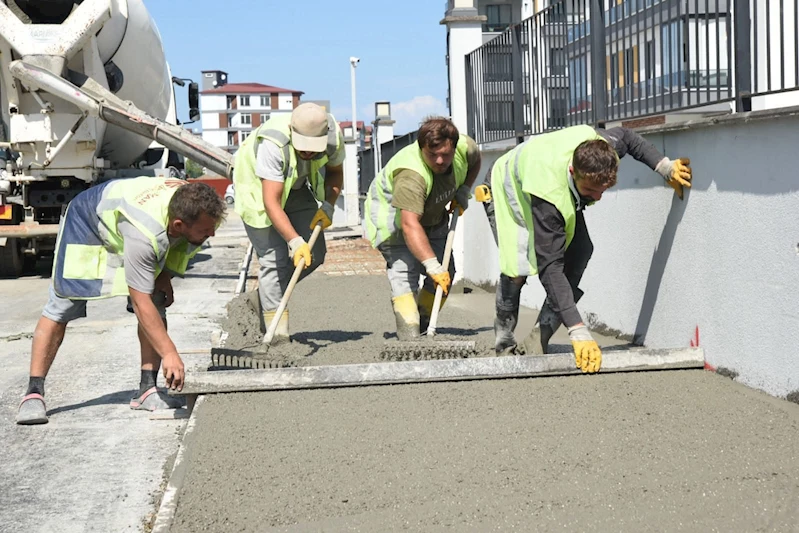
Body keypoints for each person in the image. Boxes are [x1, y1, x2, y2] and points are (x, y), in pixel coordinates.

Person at [16, 177, 225, 425]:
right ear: (179, 224)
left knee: (156, 297)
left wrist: (165, 274)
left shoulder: (197, 206)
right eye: (205, 231)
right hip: (87, 221)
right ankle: (33, 393)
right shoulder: (144, 232)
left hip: (131, 220)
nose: (212, 233)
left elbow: (180, 245)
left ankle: (147, 390)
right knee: (63, 305)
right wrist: (169, 353)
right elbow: (140, 303)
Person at [486, 124, 692, 373]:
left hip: (549, 176)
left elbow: (628, 136)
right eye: (591, 190)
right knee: (517, 269)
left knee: (581, 251)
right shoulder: (549, 197)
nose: (597, 197)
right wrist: (578, 330)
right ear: (573, 172)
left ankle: (538, 339)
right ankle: (504, 344)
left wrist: (665, 167)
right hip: (507, 186)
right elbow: (550, 267)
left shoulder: (604, 148)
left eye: (603, 190)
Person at [233, 103, 345, 343]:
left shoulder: (333, 136)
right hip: (258, 188)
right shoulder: (273, 144)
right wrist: (294, 241)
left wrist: (329, 204)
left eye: (313, 150)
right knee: (273, 260)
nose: (308, 154)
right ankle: (278, 338)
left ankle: (263, 298)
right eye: (303, 148)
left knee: (315, 253)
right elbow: (271, 202)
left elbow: (335, 172)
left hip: (296, 185)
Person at [364, 117, 481, 340]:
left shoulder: (465, 147)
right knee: (405, 274)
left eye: (445, 154)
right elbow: (409, 224)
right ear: (421, 148)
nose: (440, 160)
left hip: (433, 217)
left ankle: (425, 321)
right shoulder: (411, 175)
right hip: (394, 222)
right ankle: (408, 334)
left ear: (454, 148)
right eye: (432, 154)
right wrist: (431, 265)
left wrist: (464, 190)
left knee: (446, 273)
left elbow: (475, 161)